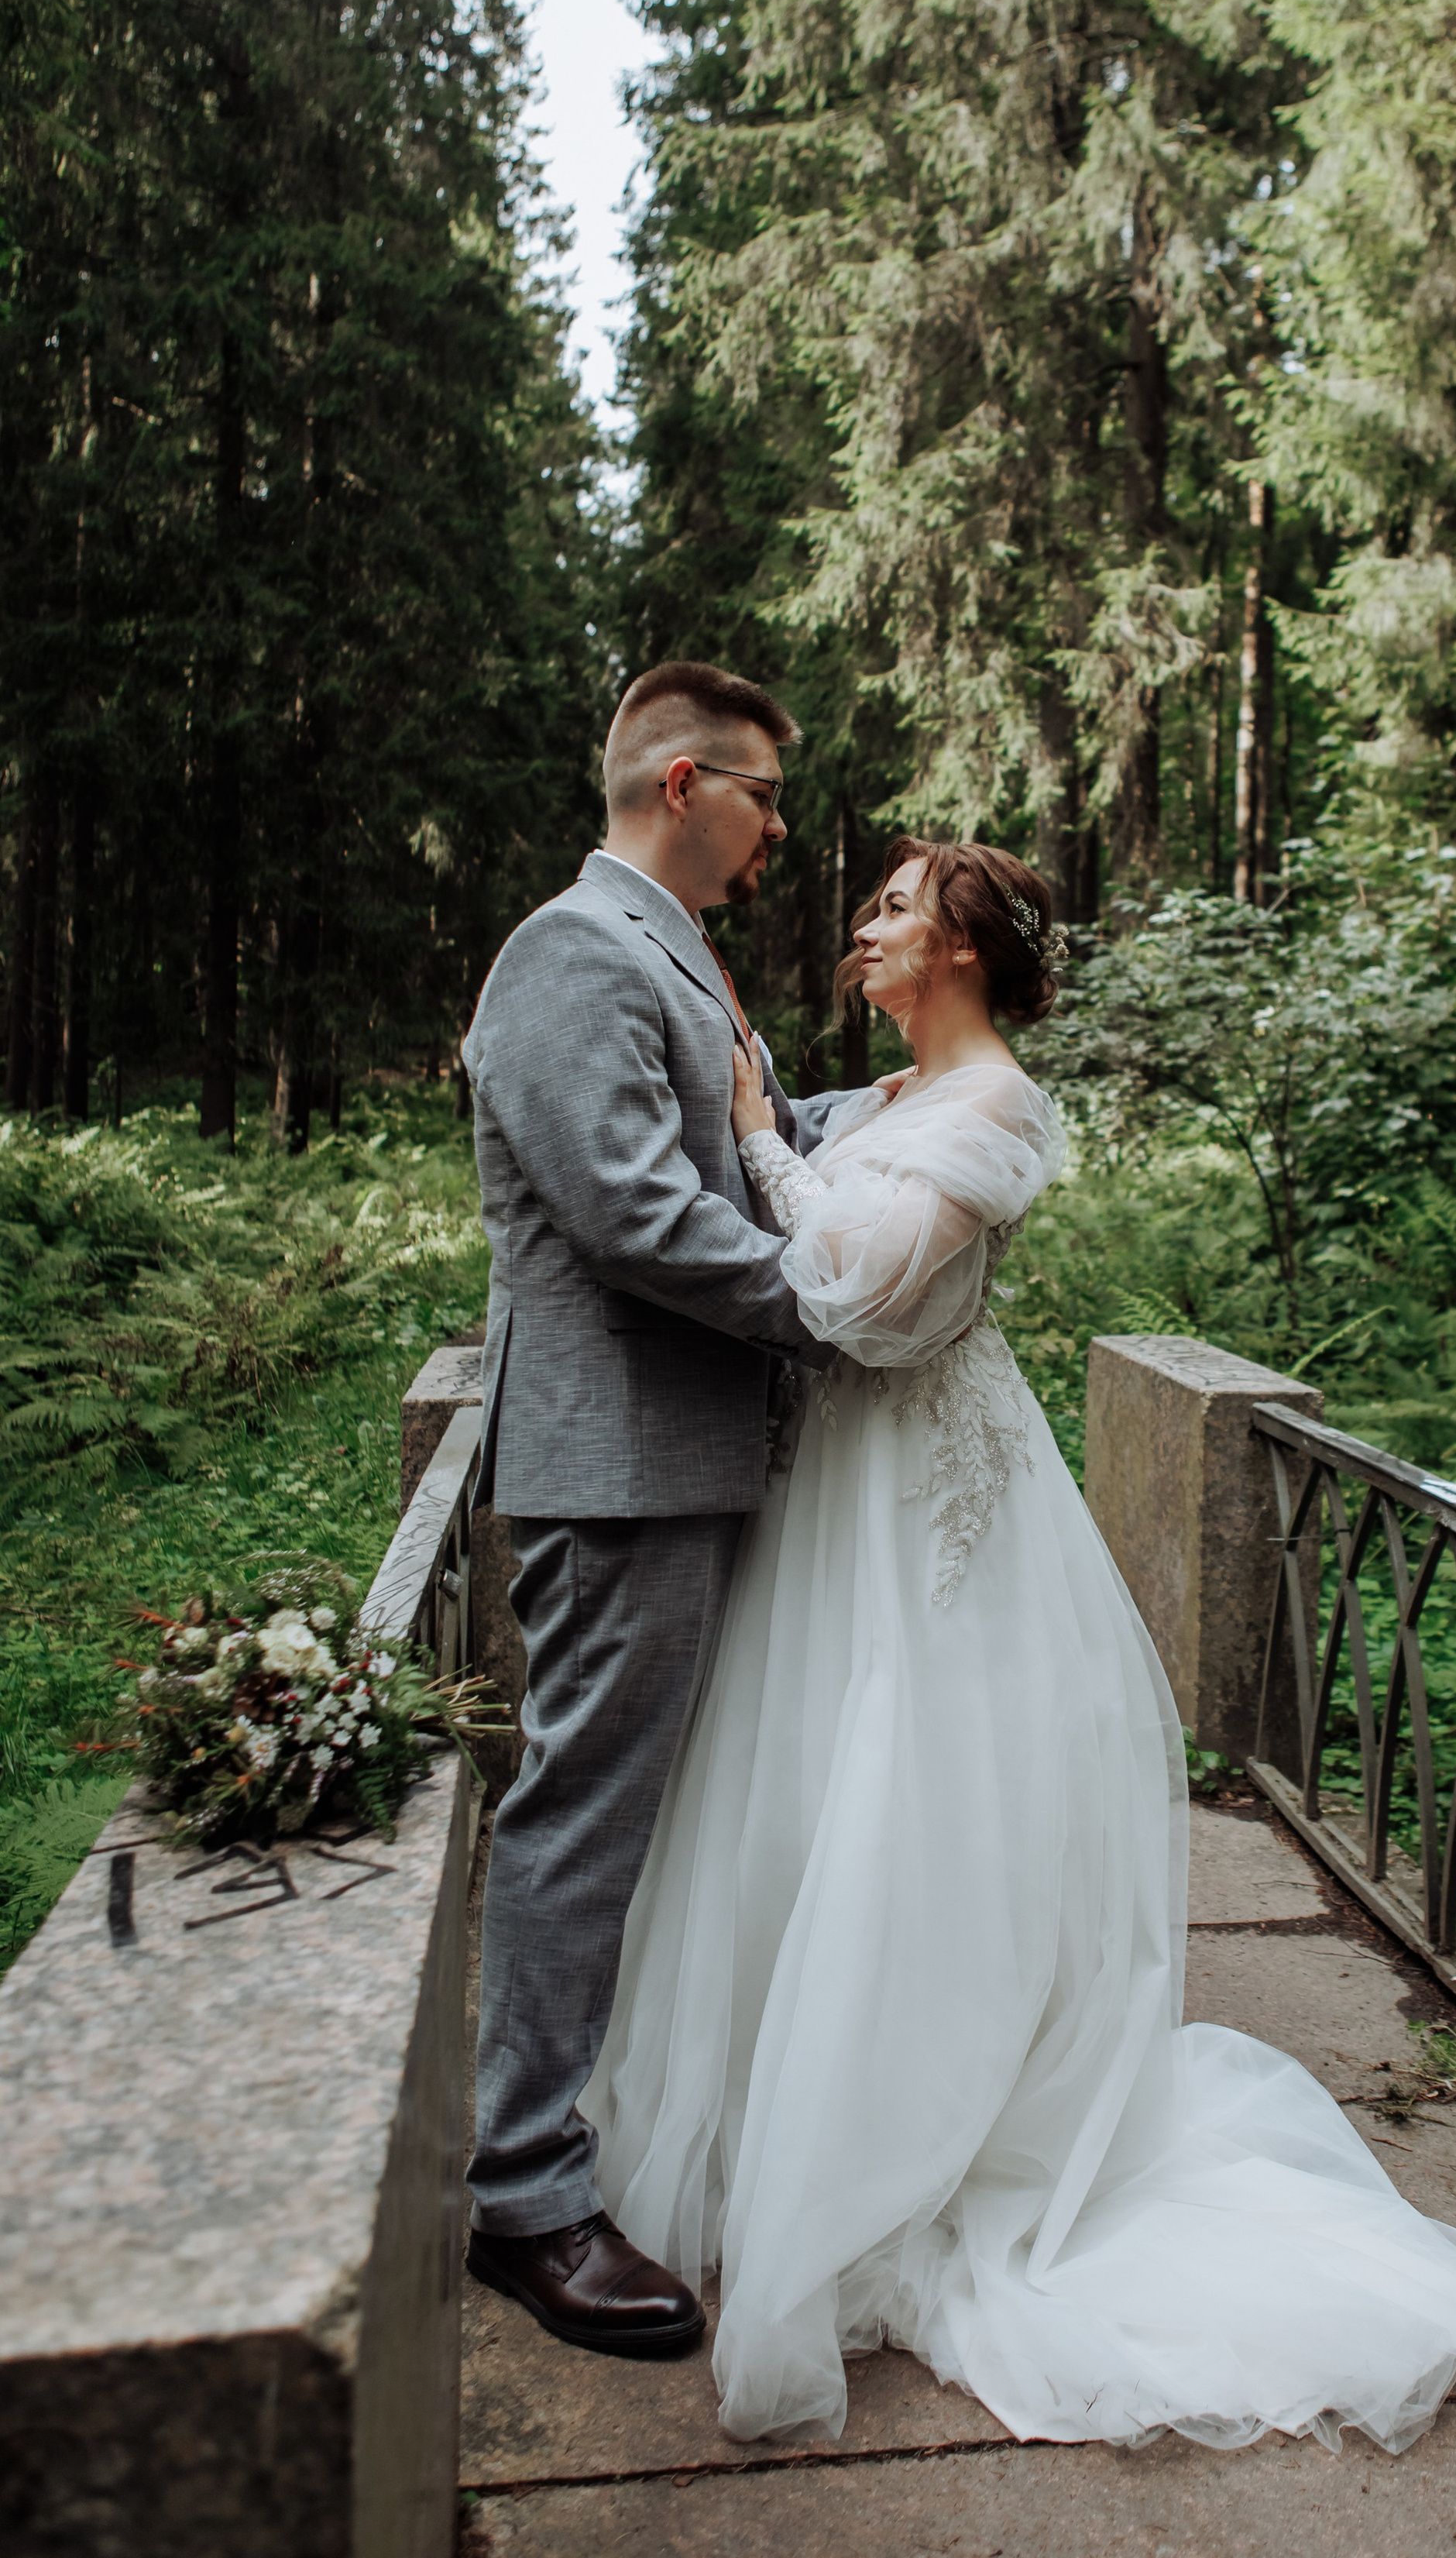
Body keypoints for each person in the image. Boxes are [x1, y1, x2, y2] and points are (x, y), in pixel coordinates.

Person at [584, 835, 1456, 2452]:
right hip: (835, 1501)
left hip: (931, 1516)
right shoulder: (874, 1106)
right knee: (804, 1807)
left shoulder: (998, 1108)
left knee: (916, 1811)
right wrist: (752, 1127)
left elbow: (866, 1300)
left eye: (892, 909)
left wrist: (753, 1142)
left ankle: (918, 2139)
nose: (861, 929)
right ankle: (787, 2113)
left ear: (959, 949)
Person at [460, 658, 867, 2357]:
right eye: (766, 792)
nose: (782, 825)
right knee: (586, 1815)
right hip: (621, 1464)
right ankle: (525, 2198)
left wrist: (926, 1115)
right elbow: (635, 1214)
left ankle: (606, 2121)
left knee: (657, 1815)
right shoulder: (571, 951)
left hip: (690, 1452)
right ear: (683, 782)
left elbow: (734, 1148)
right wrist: (838, 1299)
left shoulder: (681, 958)